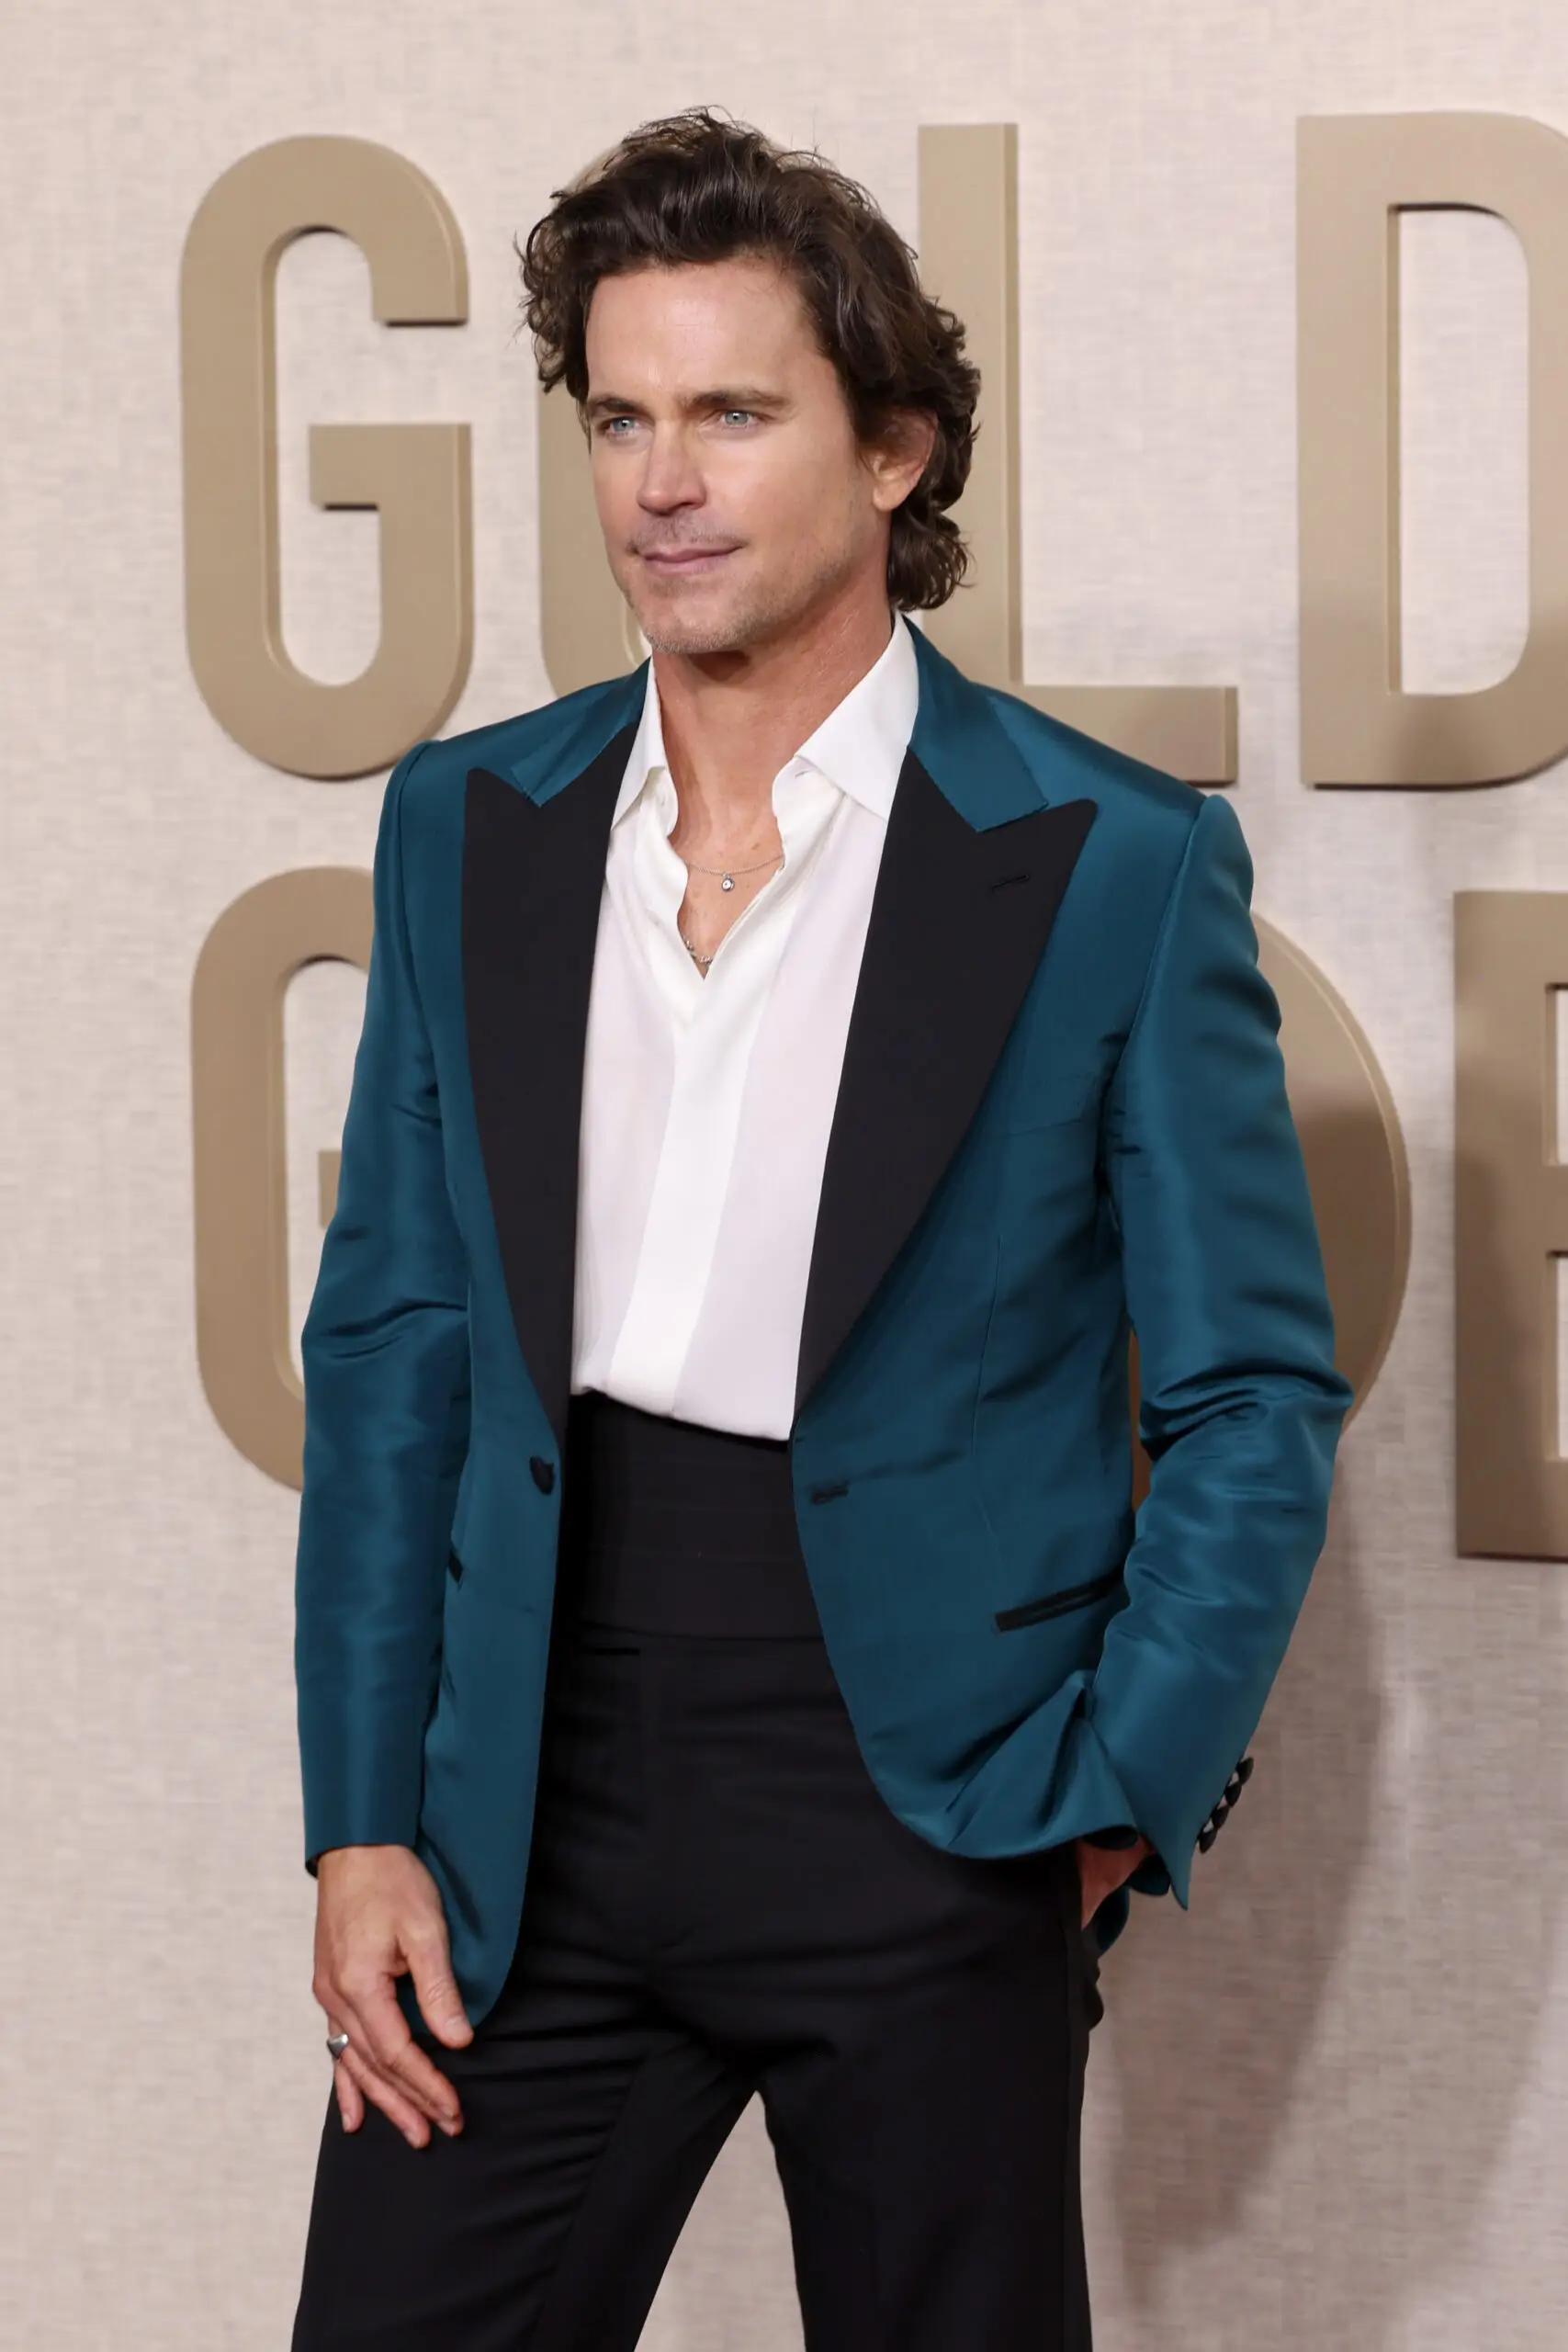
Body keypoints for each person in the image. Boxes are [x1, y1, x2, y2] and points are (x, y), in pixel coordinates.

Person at [288, 107, 1352, 2352]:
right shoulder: (467, 822)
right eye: (621, 417)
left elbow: (1253, 1391)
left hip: (927, 1780)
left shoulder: (1107, 862)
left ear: (894, 450)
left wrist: (1106, 1790)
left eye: (734, 412)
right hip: (527, 1772)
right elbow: (393, 1338)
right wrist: (360, 1814)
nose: (662, 481)